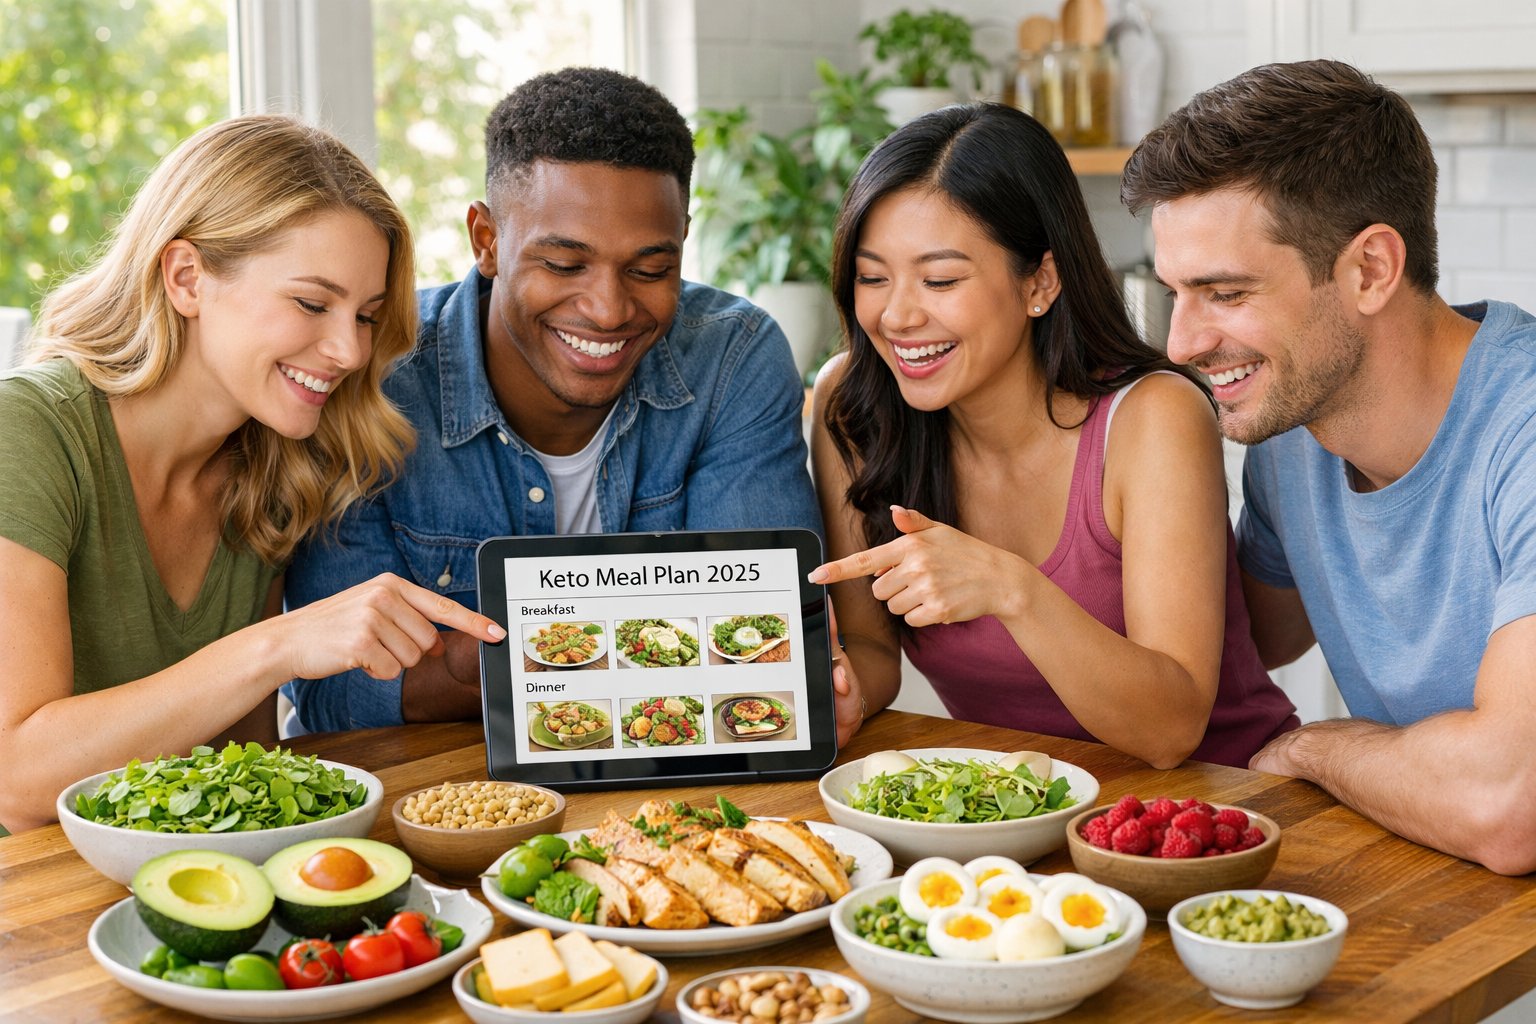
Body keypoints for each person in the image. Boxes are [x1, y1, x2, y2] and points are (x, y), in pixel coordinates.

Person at [0, 115, 506, 833]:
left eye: (364, 316)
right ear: (186, 278)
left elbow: (241, 775)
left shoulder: (275, 470)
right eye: (310, 303)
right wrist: (280, 645)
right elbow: (17, 784)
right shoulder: (27, 432)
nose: (349, 351)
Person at [284, 67, 821, 732]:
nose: (607, 309)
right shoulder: (373, 374)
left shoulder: (732, 358)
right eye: (565, 265)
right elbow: (337, 700)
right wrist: (630, 652)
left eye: (651, 269)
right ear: (487, 241)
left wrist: (486, 659)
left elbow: (767, 643)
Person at [1120, 59, 1536, 875]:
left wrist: (1316, 749)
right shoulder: (1292, 438)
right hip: (1454, 890)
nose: (1181, 344)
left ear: (1371, 270)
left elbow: (1508, 804)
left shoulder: (1521, 434)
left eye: (1225, 292)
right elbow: (1243, 641)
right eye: (1174, 292)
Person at [809, 103, 1298, 769]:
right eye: (872, 277)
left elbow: (1173, 728)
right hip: (1017, 816)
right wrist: (844, 695)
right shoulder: (854, 407)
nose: (896, 314)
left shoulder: (1152, 416)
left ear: (1039, 281)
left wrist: (1010, 589)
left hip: (1223, 808)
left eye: (940, 279)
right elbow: (870, 650)